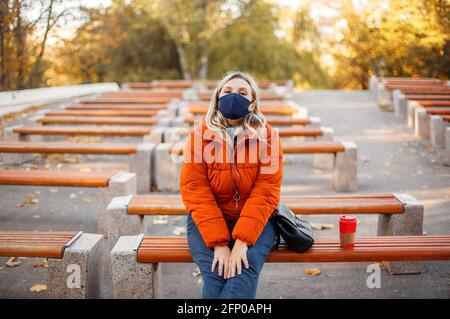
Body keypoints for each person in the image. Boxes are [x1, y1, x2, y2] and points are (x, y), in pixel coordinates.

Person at [180, 71, 284, 299]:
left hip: (259, 220)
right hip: (206, 220)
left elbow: (267, 191)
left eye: (242, 92)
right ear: (217, 98)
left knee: (242, 271)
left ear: (252, 102)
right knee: (216, 273)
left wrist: (242, 242)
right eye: (227, 91)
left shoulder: (269, 137)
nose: (233, 96)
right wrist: (219, 243)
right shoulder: (198, 137)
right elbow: (195, 190)